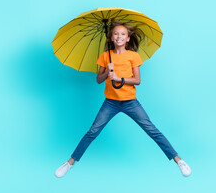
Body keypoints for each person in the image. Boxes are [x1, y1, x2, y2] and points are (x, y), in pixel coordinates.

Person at [55, 20, 191, 177]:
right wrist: (107, 73)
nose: (119, 36)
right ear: (112, 38)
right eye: (116, 33)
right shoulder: (105, 56)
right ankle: (69, 163)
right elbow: (98, 80)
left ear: (127, 38)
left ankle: (179, 160)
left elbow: (137, 81)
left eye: (123, 34)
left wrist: (120, 78)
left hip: (130, 103)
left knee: (152, 130)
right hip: (110, 103)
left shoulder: (133, 56)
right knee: (93, 131)